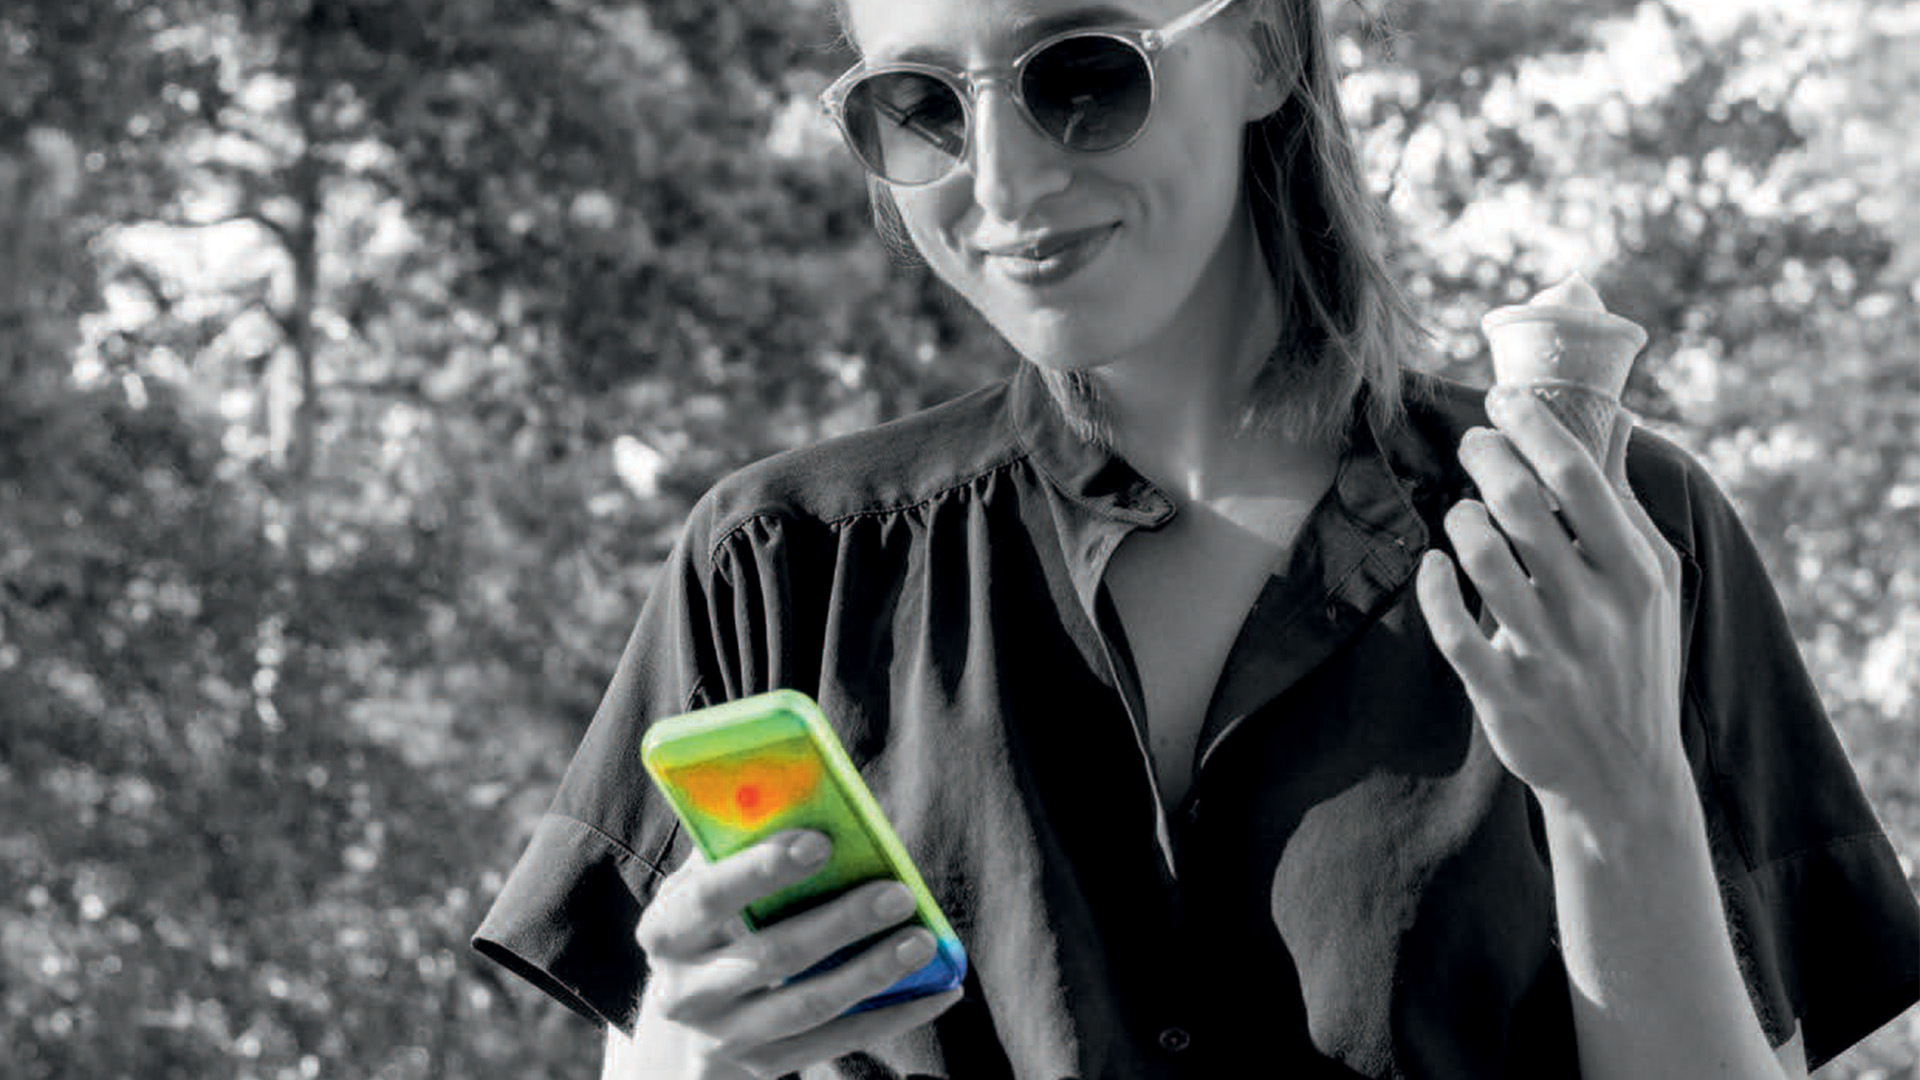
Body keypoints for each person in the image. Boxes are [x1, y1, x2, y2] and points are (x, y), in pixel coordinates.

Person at [471, 0, 1920, 1075]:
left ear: (1271, 50)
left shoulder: (1617, 539)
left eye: (1083, 78)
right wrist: (691, 1050)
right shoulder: (777, 569)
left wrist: (1625, 799)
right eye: (917, 107)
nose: (1000, 180)